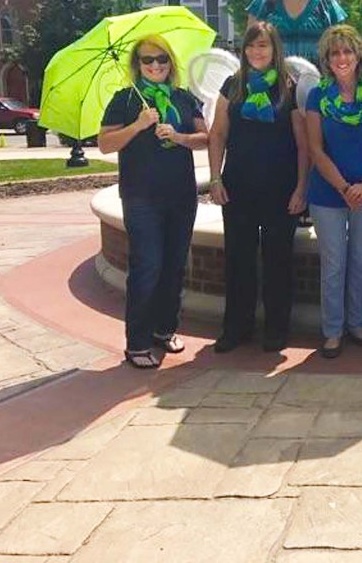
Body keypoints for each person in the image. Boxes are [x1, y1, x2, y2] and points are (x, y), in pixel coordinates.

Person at [98, 35, 208, 368]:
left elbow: (205, 138)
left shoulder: (183, 98)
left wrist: (179, 136)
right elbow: (105, 144)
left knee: (174, 265)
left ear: (170, 62)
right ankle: (138, 342)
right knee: (147, 266)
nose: (155, 65)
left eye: (162, 59)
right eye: (148, 60)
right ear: (138, 64)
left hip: (180, 196)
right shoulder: (125, 100)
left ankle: (164, 329)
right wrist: (138, 125)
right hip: (141, 197)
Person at [208, 22, 308, 353]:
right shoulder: (233, 85)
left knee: (278, 261)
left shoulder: (289, 87)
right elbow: (218, 134)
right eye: (251, 46)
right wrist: (215, 178)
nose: (256, 51)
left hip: (281, 189)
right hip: (238, 187)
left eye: (263, 45)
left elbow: (303, 143)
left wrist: (301, 188)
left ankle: (277, 329)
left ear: (275, 49)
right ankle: (237, 327)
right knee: (239, 261)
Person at [306, 25, 362, 359]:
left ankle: (356, 325)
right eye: (335, 53)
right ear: (327, 60)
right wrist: (343, 187)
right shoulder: (317, 97)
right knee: (334, 264)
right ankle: (333, 331)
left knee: (360, 261)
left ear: (358, 56)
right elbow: (315, 149)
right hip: (328, 195)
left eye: (347, 51)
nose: (342, 58)